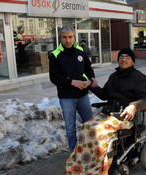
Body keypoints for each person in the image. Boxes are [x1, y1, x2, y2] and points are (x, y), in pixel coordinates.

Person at [65, 48, 146, 175]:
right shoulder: (114, 77)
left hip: (125, 116)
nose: (123, 59)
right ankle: (82, 165)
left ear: (133, 61)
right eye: (121, 57)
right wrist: (90, 85)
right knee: (86, 127)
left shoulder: (140, 78)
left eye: (127, 57)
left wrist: (133, 106)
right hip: (109, 112)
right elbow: (104, 94)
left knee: (99, 132)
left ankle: (98, 168)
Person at [49, 25, 98, 153]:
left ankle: (90, 150)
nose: (68, 40)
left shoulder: (80, 50)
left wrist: (92, 78)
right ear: (60, 38)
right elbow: (54, 78)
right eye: (64, 37)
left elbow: (88, 67)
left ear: (74, 37)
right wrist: (72, 82)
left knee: (89, 124)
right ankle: (73, 153)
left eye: (70, 37)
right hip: (67, 97)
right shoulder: (55, 55)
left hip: (83, 95)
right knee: (70, 128)